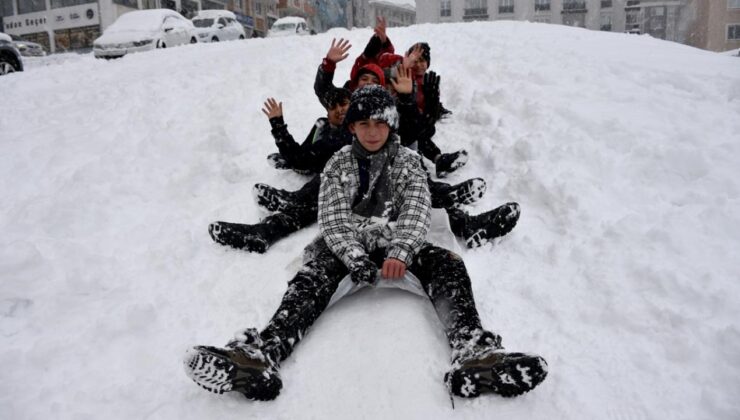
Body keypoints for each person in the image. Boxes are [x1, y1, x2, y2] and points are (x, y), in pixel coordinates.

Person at [184, 86, 548, 401]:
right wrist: (353, 256)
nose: (372, 132)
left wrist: (401, 250)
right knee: (311, 277)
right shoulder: (338, 164)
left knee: (449, 265)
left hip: (397, 242)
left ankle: (473, 353)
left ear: (390, 124)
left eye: (379, 123)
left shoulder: (407, 162)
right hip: (350, 244)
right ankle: (261, 355)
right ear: (352, 127)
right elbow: (332, 217)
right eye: (363, 124)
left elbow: (418, 210)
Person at [209, 85, 517, 253]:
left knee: (412, 192)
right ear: (330, 113)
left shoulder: (371, 129)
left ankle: (461, 213)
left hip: (382, 182)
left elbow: (410, 132)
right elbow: (300, 157)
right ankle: (268, 228)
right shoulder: (324, 132)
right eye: (335, 107)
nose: (341, 110)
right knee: (320, 192)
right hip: (333, 186)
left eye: (345, 104)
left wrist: (408, 97)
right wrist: (279, 129)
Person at [314, 36, 466, 178]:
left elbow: (414, 130)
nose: (368, 83)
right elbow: (323, 91)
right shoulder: (348, 97)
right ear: (355, 81)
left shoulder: (385, 108)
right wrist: (328, 64)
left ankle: (434, 170)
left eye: (374, 80)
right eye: (364, 79)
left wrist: (428, 105)